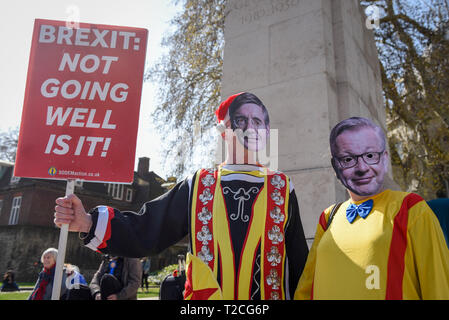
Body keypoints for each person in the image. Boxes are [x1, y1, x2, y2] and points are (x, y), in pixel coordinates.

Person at [54, 92, 309, 300]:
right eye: (241, 120)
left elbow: (300, 262)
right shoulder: (199, 184)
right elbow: (147, 229)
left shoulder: (282, 187)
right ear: (223, 130)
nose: (251, 128)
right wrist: (87, 222)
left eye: (258, 121)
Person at [295, 117, 449, 300]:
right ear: (336, 166)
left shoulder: (410, 208)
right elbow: (305, 290)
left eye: (370, 156)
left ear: (384, 159)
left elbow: (438, 287)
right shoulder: (328, 217)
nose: (362, 168)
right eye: (348, 159)